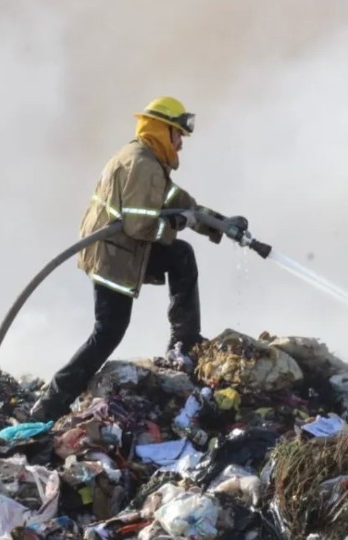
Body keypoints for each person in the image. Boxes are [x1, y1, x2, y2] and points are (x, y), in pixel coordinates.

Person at [31, 96, 244, 421]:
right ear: (162, 130)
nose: (181, 144)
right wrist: (177, 224)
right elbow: (140, 226)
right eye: (178, 135)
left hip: (121, 249)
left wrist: (221, 223)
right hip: (114, 256)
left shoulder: (148, 160)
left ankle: (185, 342)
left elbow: (178, 202)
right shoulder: (142, 165)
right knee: (108, 333)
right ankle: (48, 408)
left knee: (180, 256)